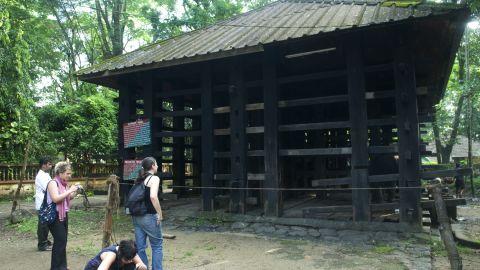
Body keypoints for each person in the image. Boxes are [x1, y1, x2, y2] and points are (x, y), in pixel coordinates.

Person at [46, 161, 80, 270]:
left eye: (70, 173)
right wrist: (70, 190)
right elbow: (56, 198)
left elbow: (67, 198)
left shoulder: (63, 184)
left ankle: (62, 266)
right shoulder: (53, 183)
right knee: (60, 241)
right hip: (54, 216)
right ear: (60, 173)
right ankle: (56, 268)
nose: (69, 175)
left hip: (63, 214)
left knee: (63, 241)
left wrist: (76, 191)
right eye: (67, 173)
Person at [132, 157, 163, 270]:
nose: (158, 166)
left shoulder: (139, 179)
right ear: (153, 165)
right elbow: (153, 197)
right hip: (149, 216)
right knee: (157, 246)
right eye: (157, 164)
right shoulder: (154, 178)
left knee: (140, 247)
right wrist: (160, 213)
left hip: (136, 217)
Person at [35, 156, 53, 251]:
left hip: (46, 203)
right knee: (43, 225)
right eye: (49, 164)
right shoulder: (41, 176)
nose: (51, 166)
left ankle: (45, 241)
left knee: (46, 223)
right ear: (43, 165)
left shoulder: (46, 174)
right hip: (42, 203)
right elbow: (48, 187)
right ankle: (42, 244)